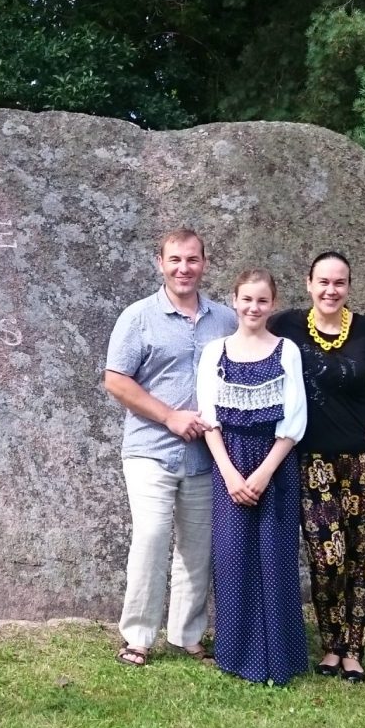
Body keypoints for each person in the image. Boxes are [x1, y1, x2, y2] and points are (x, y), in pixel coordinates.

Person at [269, 251, 365, 683]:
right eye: (323, 281)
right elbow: (249, 346)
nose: (330, 290)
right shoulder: (285, 326)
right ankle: (330, 644)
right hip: (313, 462)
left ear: (349, 287)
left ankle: (353, 650)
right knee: (327, 559)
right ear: (309, 284)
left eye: (339, 282)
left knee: (361, 557)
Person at [104, 228, 237, 667]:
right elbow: (116, 380)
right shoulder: (138, 317)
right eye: (175, 260)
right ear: (160, 263)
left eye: (192, 259)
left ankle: (187, 636)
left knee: (197, 549)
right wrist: (169, 416)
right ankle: (138, 637)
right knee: (151, 538)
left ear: (205, 263)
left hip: (205, 456)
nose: (184, 268)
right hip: (151, 450)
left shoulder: (225, 321)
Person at [195, 269, 307, 684]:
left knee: (276, 558)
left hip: (274, 465)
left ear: (272, 304)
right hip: (229, 463)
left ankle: (280, 655)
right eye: (246, 299)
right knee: (233, 558)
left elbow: (295, 420)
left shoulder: (286, 351)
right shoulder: (215, 352)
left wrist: (263, 473)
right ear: (235, 301)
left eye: (262, 301)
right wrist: (229, 474)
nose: (253, 308)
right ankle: (236, 653)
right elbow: (208, 418)